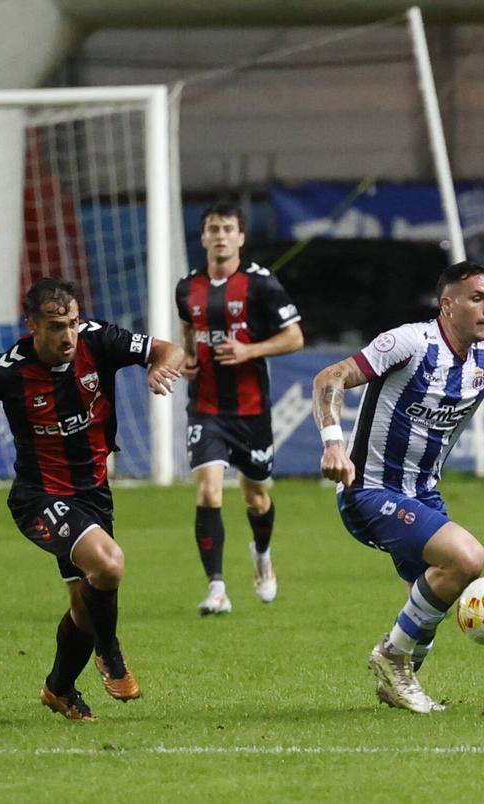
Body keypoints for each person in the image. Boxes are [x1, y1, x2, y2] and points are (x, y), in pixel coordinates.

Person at [314, 260, 484, 714]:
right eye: (477, 298)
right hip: (369, 490)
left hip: (424, 495)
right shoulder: (410, 342)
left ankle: (400, 679)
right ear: (447, 304)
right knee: (467, 557)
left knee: (439, 594)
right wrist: (333, 446)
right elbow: (331, 377)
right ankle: (391, 658)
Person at [0, 277, 185, 721]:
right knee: (110, 564)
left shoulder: (100, 340)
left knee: (83, 607)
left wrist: (159, 366)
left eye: (73, 323)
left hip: (94, 494)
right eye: (57, 326)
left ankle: (58, 689)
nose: (69, 336)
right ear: (33, 326)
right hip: (39, 496)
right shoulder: (7, 369)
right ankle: (110, 653)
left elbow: (168, 349)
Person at [175, 202, 304, 616]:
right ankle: (216, 588)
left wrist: (250, 349)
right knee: (209, 490)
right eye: (212, 228)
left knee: (256, 499)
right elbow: (188, 328)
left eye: (227, 228)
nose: (220, 235)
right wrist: (188, 358)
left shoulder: (261, 284)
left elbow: (295, 338)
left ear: (240, 237)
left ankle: (262, 555)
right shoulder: (187, 287)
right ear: (203, 237)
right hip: (206, 408)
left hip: (251, 411)